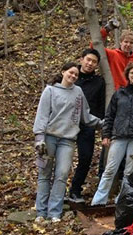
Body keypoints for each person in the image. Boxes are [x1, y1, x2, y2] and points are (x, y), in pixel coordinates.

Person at [33, 62, 101, 222]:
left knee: (62, 174)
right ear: (63, 72)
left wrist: (105, 124)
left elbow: (86, 116)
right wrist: (39, 138)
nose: (73, 76)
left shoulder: (78, 92)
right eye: (70, 73)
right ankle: (41, 212)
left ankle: (54, 212)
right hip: (48, 138)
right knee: (44, 174)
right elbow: (41, 115)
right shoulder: (50, 90)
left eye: (76, 75)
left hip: (68, 140)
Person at [91, 63, 133, 205]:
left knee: (129, 172)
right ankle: (98, 201)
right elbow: (109, 116)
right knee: (110, 170)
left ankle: (121, 200)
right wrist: (106, 135)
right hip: (118, 136)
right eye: (132, 73)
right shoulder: (119, 94)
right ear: (128, 75)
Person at [67, 49, 106, 203]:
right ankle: (56, 191)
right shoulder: (71, 76)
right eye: (88, 60)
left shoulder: (99, 82)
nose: (90, 64)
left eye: (94, 62)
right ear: (82, 59)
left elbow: (101, 105)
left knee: (85, 157)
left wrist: (103, 128)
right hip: (67, 124)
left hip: (88, 125)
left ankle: (75, 190)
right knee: (63, 158)